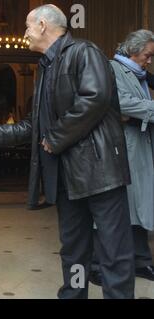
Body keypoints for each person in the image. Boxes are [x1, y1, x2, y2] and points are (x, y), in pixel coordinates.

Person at [0, 4, 135, 299]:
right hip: (67, 179)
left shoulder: (84, 52)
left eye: (26, 27)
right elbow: (34, 126)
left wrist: (55, 138)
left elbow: (95, 99)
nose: (24, 34)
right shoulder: (45, 67)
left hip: (100, 173)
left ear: (43, 26)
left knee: (114, 253)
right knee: (74, 251)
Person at [89, 30, 154, 285]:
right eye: (147, 55)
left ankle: (141, 261)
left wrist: (140, 112)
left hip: (139, 147)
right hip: (120, 150)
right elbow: (119, 103)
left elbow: (131, 109)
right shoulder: (111, 68)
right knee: (113, 211)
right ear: (133, 50)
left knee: (141, 207)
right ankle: (96, 264)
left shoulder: (140, 76)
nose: (149, 61)